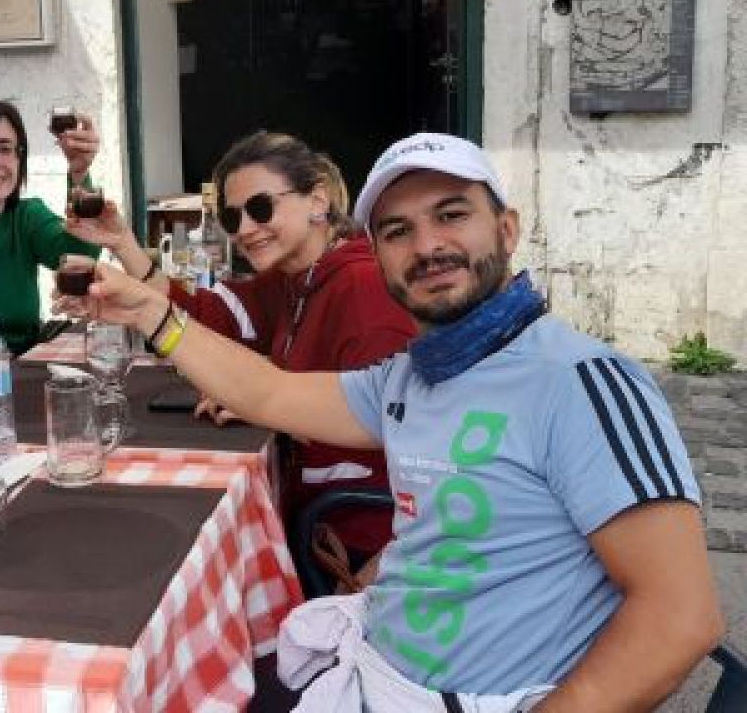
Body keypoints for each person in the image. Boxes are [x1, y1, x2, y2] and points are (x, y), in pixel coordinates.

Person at [71, 133, 723, 710]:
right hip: (377, 667)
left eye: (451, 215)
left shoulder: (581, 382)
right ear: (377, 254)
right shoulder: (411, 376)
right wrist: (150, 318)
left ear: (507, 229)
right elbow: (268, 392)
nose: (428, 245)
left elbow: (680, 617)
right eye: (397, 230)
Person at [68, 131, 414, 575]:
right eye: (232, 216)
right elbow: (201, 323)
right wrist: (123, 245)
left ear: (318, 200)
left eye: (261, 208)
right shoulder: (297, 276)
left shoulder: (364, 290)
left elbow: (383, 428)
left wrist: (268, 405)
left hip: (350, 536)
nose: (245, 229)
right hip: (303, 504)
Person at [0, 95, 100, 354]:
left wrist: (79, 173)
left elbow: (80, 258)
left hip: (26, 367)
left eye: (5, 148)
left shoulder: (27, 217)